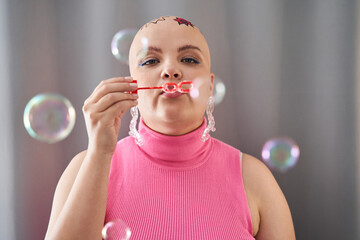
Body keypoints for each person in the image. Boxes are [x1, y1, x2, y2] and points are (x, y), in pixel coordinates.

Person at [45, 16, 296, 239]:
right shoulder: (85, 169)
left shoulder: (255, 179)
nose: (170, 71)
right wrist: (99, 153)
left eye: (188, 59)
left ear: (209, 87)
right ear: (131, 85)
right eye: (151, 61)